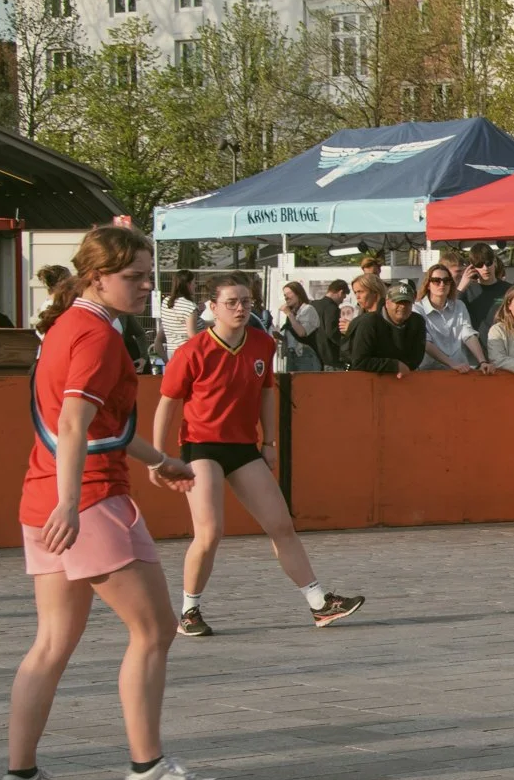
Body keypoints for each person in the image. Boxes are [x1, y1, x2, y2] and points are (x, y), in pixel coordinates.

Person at [3, 224, 215, 780]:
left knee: (51, 642)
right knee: (153, 630)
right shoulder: (97, 338)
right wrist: (73, 504)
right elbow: (73, 424)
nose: (147, 286)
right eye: (134, 277)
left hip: (42, 500)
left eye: (149, 275)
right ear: (96, 276)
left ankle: (20, 778)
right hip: (88, 503)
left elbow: (98, 430)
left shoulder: (70, 326)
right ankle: (146, 770)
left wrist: (159, 459)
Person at [154, 273, 364, 639]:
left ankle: (319, 604)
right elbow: (167, 404)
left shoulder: (262, 343)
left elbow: (267, 392)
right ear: (212, 308)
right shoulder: (193, 351)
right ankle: (189, 611)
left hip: (242, 446)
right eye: (232, 302)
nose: (240, 308)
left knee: (280, 525)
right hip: (201, 445)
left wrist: (268, 443)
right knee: (210, 531)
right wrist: (158, 456)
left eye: (246, 301)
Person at [415, 265, 493, 372]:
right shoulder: (417, 309)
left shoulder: (459, 305)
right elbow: (425, 343)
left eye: (446, 281)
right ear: (428, 284)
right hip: (431, 371)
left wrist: (482, 361)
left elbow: (468, 334)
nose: (442, 284)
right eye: (436, 281)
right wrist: (452, 364)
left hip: (460, 370)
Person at [346, 278, 427, 374]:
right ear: (387, 302)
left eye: (407, 302)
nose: (403, 306)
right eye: (398, 302)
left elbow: (415, 359)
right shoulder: (369, 322)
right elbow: (359, 362)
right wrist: (394, 365)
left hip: (401, 381)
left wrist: (401, 367)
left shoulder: (417, 322)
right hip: (362, 381)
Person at [158, 272, 200, 358]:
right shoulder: (189, 306)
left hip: (171, 351)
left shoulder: (166, 302)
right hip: (186, 352)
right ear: (187, 285)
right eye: (194, 283)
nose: (195, 286)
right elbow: (192, 335)